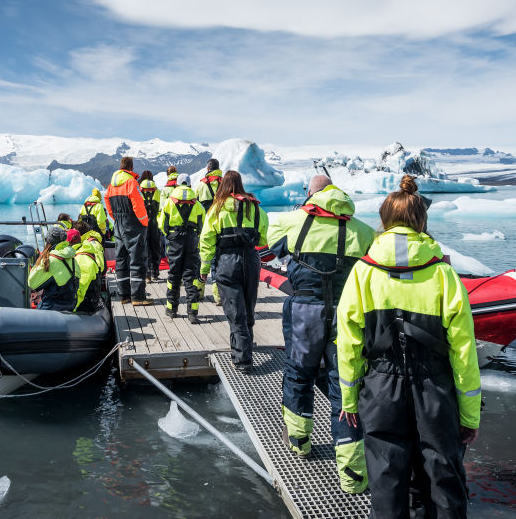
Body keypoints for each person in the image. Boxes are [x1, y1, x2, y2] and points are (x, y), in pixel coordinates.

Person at [336, 175, 481, 518]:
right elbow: (464, 351)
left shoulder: (363, 273)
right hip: (435, 389)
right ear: (421, 221)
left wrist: (349, 399)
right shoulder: (444, 275)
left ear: (384, 221)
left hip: (381, 388)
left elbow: (348, 342)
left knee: (386, 477)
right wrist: (470, 414)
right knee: (443, 475)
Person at [267, 175, 376, 493]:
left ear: (311, 195)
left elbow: (269, 251)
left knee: (298, 375)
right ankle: (353, 476)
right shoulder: (363, 231)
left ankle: (299, 442)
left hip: (304, 314)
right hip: (347, 319)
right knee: (345, 390)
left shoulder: (291, 220)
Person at [199, 171, 269, 370]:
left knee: (234, 310)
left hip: (227, 260)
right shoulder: (256, 208)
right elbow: (264, 239)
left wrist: (204, 268)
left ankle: (242, 359)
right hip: (250, 260)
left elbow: (207, 240)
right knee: (248, 306)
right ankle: (247, 346)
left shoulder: (217, 208)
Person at [105, 157, 151, 305]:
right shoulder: (131, 182)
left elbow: (107, 203)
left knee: (121, 259)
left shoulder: (111, 185)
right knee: (137, 259)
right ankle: (138, 297)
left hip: (118, 224)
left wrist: (115, 219)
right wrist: (144, 222)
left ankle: (124, 295)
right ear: (131, 167)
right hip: (133, 225)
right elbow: (138, 205)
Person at [159, 173, 204, 322]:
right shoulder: (197, 204)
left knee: (173, 276)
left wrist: (171, 236)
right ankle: (193, 313)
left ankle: (172, 310)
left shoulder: (169, 203)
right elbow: (202, 226)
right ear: (190, 185)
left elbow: (162, 225)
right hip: (191, 242)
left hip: (175, 242)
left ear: (177, 185)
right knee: (191, 277)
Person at [27, 225, 80, 312]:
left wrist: (39, 262)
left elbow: (31, 283)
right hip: (69, 306)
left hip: (51, 309)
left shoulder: (50, 261)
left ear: (48, 242)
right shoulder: (73, 259)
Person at [69, 223, 105, 313]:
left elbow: (81, 287)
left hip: (88, 301)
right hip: (93, 275)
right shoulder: (88, 245)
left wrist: (70, 308)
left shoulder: (84, 256)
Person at [139, 171, 163, 282]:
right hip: (154, 222)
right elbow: (159, 208)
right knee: (155, 248)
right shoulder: (157, 190)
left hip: (143, 222)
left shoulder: (139, 190)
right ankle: (155, 273)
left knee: (145, 249)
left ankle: (147, 274)